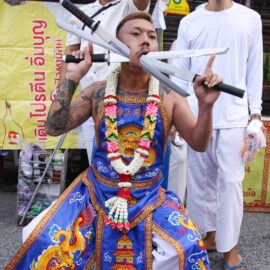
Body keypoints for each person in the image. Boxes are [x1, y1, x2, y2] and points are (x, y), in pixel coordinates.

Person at [6, 12, 223, 269]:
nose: (146, 41)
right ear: (115, 45)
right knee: (41, 239)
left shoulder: (170, 96)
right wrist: (72, 78)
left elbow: (199, 144)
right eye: (136, 34)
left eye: (152, 36)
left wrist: (206, 107)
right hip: (96, 193)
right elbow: (53, 127)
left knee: (188, 248)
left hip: (150, 198)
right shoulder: (97, 91)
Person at [170, 1, 263, 269]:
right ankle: (209, 238)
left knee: (231, 184)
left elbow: (254, 68)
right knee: (199, 184)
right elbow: (180, 73)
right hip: (198, 115)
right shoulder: (190, 22)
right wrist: (178, 115)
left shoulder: (250, 18)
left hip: (234, 116)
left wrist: (255, 113)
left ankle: (229, 249)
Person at [61, 0, 150, 163]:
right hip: (89, 100)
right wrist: (62, 95)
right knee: (95, 159)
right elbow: (70, 55)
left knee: (126, 158)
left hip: (122, 100)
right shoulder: (80, 12)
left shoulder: (128, 6)